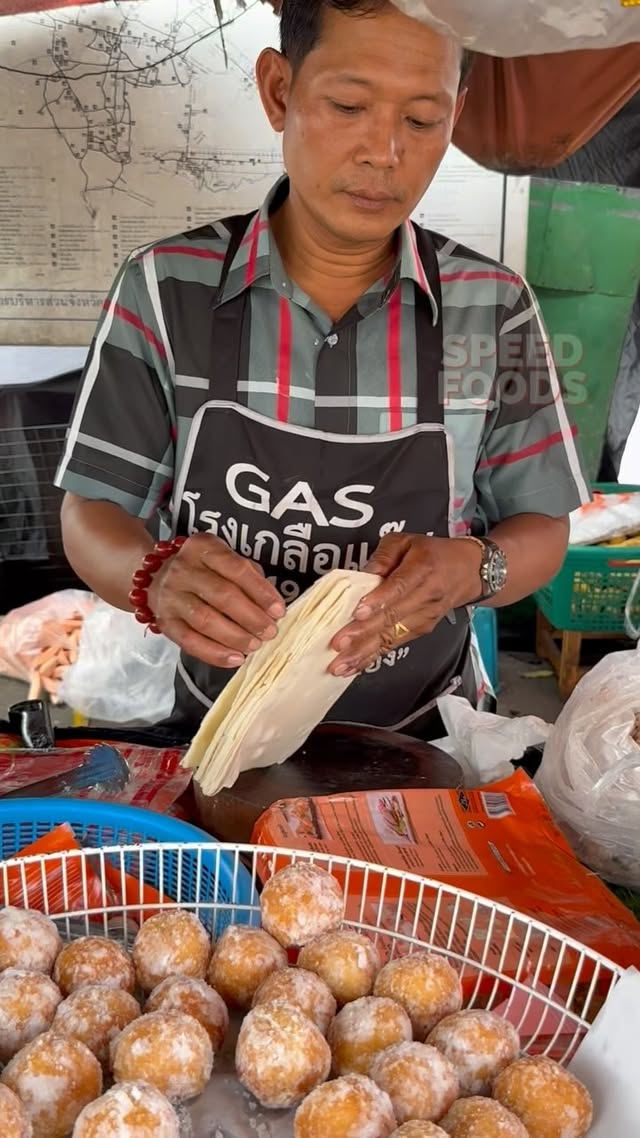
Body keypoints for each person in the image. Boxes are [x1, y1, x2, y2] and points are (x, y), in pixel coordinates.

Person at [55, 0, 589, 740]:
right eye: (348, 105)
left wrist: (473, 569)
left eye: (423, 119)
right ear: (280, 90)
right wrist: (154, 577)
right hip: (212, 724)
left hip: (424, 737)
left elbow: (544, 526)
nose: (384, 152)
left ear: (457, 115)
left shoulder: (495, 310)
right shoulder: (164, 288)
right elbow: (92, 512)